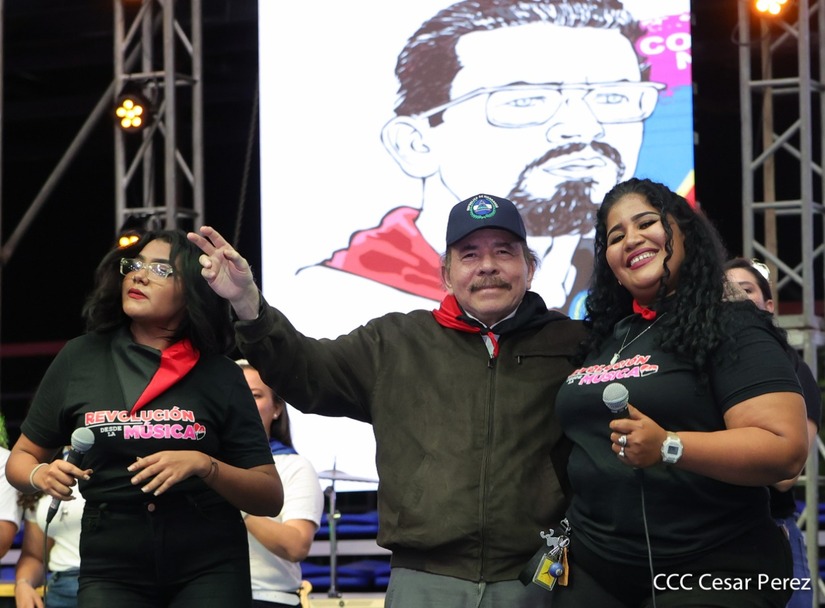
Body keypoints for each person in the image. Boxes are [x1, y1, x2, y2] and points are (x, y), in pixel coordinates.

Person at [188, 193, 588, 607]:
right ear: (447, 274)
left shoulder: (574, 345)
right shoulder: (396, 342)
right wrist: (247, 303)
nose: (487, 265)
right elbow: (307, 370)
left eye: (503, 251)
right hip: (422, 581)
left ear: (530, 267)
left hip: (536, 579)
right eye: (469, 254)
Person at [300, 0, 686, 319]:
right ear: (415, 144)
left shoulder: (643, 298)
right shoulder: (340, 298)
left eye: (614, 98)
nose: (583, 128)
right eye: (524, 101)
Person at [553, 178, 809, 607]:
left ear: (684, 232)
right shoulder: (607, 336)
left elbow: (784, 450)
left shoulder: (732, 325)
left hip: (713, 566)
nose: (631, 239)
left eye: (646, 223)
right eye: (615, 237)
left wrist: (669, 446)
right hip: (596, 568)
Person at [6, 229, 284, 607]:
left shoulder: (221, 374)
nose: (139, 276)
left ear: (192, 292)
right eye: (135, 265)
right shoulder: (79, 358)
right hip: (112, 561)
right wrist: (40, 474)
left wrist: (204, 465)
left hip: (209, 561)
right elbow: (20, 460)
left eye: (161, 270)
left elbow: (269, 496)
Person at [724, 256, 822, 608]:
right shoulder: (698, 368)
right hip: (705, 533)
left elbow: (784, 475)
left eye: (745, 289)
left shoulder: (793, 369)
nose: (735, 297)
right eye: (725, 291)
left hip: (770, 528)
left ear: (768, 306)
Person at [236, 359, 324, 608]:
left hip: (268, 597)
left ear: (276, 409)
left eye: (255, 395)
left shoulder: (293, 467)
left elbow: (296, 546)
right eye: (235, 393)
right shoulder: (200, 463)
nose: (243, 402)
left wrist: (232, 496)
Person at [14, 465, 84, 608]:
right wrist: (23, 583)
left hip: (115, 582)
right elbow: (35, 555)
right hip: (60, 587)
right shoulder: (43, 468)